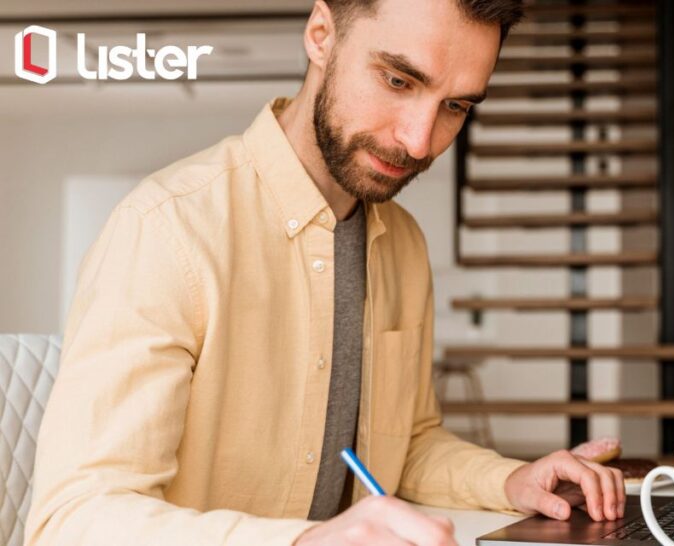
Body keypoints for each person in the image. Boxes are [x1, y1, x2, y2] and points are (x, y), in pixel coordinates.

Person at [25, 1, 626, 545]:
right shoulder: (166, 229)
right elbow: (73, 519)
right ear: (321, 35)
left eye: (455, 106)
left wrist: (512, 481)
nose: (419, 142)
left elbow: (402, 447)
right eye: (398, 79)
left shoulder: (404, 246)